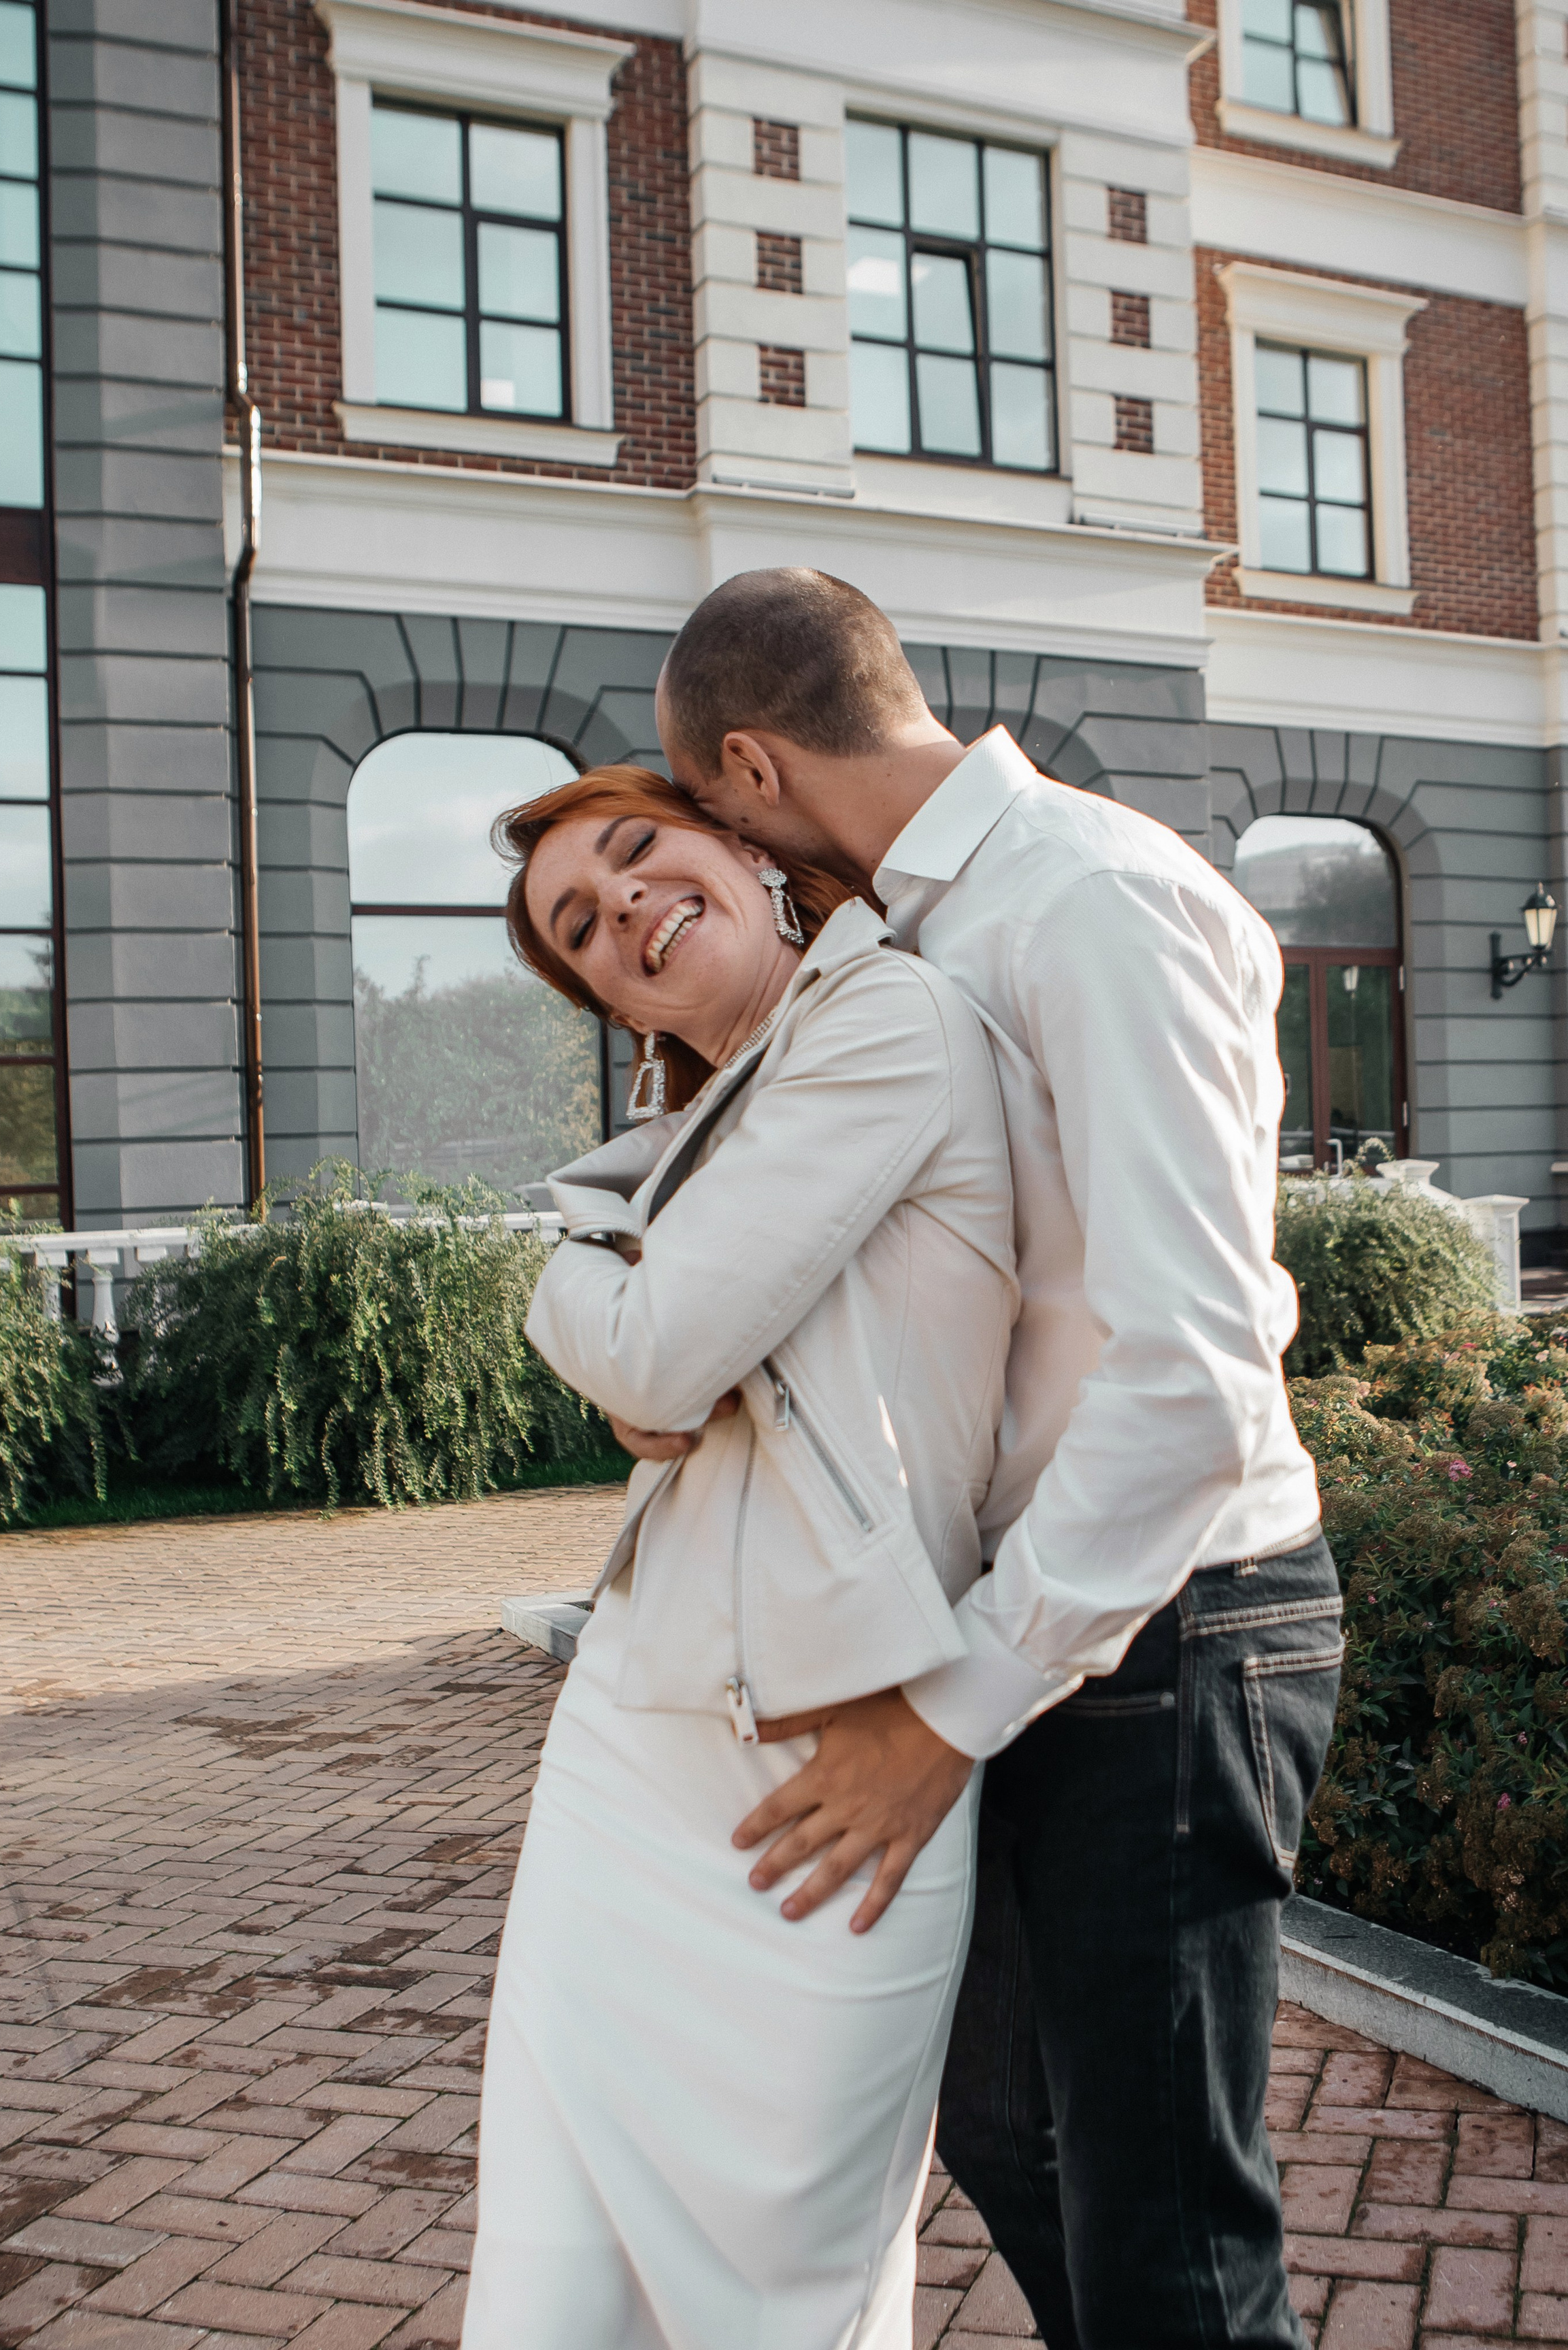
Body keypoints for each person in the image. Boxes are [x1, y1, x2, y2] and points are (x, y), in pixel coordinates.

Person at [614, 567, 1341, 2350]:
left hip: (1174, 1624)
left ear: (756, 770)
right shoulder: (908, 941)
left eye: (709, 822)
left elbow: (1195, 1370)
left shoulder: (1090, 901)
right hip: (1026, 1627)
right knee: (1007, 2126)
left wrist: (944, 1708)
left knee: (1167, 2229)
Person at [461, 763, 1018, 2349]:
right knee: (553, 2263)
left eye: (641, 852)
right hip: (626, 1739)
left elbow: (651, 1353)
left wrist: (561, 1284)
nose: (622, 902)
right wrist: (616, 1301)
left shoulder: (882, 1023)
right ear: (595, 986)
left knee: (785, 2286)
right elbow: (660, 1348)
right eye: (580, 920)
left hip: (837, 1741)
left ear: (751, 855)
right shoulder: (684, 1134)